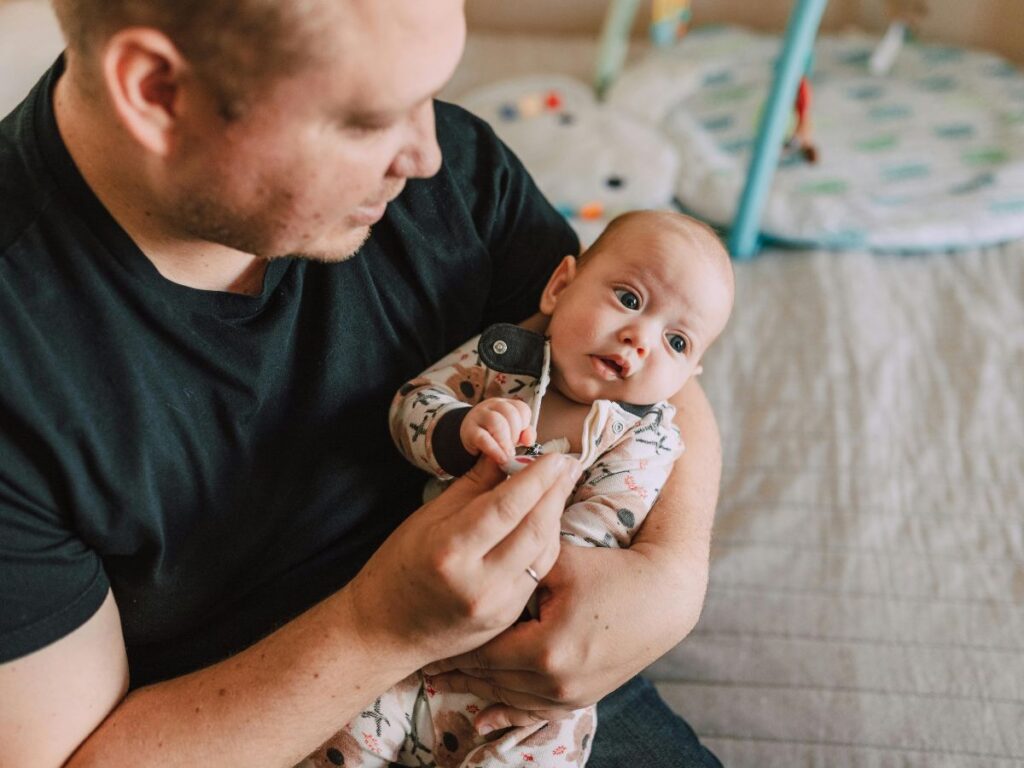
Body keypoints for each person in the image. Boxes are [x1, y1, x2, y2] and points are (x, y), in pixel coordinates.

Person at [0, 2, 724, 767]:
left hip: (515, 693)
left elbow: (632, 352)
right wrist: (382, 625)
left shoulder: (452, 171)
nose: (426, 155)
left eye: (429, 94)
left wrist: (670, 578)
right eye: (368, 120)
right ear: (157, 91)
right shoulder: (22, 363)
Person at [318, 211, 733, 767]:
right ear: (560, 286)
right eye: (630, 300)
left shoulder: (646, 442)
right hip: (415, 636)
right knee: (343, 741)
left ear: (689, 376)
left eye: (676, 341)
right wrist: (460, 428)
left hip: (523, 689)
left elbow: (600, 531)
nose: (640, 339)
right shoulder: (500, 361)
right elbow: (411, 405)